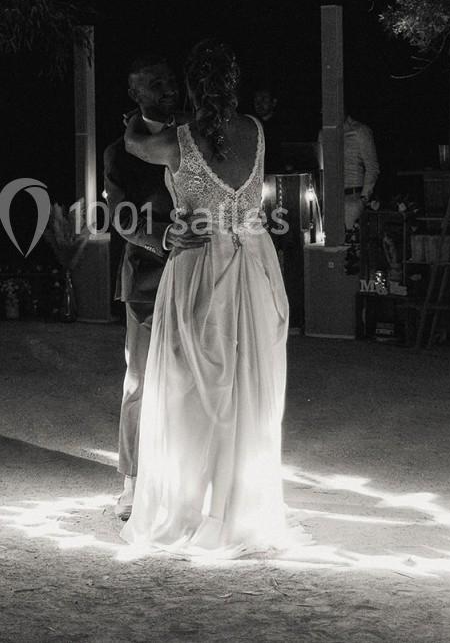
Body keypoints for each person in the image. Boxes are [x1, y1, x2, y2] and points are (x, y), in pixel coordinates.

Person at [119, 39, 303, 556]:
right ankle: (236, 505)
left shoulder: (178, 139)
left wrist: (136, 115)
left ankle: (192, 505)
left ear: (191, 88)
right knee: (246, 387)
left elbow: (134, 143)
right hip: (255, 261)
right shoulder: (256, 131)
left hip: (202, 264)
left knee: (188, 388)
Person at [102, 55, 209, 521]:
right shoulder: (118, 151)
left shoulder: (197, 139)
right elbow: (121, 217)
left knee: (199, 380)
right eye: (157, 83)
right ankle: (133, 483)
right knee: (140, 384)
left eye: (172, 82)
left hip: (203, 273)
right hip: (147, 277)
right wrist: (164, 236)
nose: (169, 89)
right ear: (135, 94)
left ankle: (191, 482)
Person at [318, 112, 380, 230]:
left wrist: (363, 198)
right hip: (330, 200)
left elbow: (372, 167)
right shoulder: (324, 133)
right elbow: (322, 167)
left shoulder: (360, 131)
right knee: (327, 242)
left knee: (350, 243)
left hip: (352, 199)